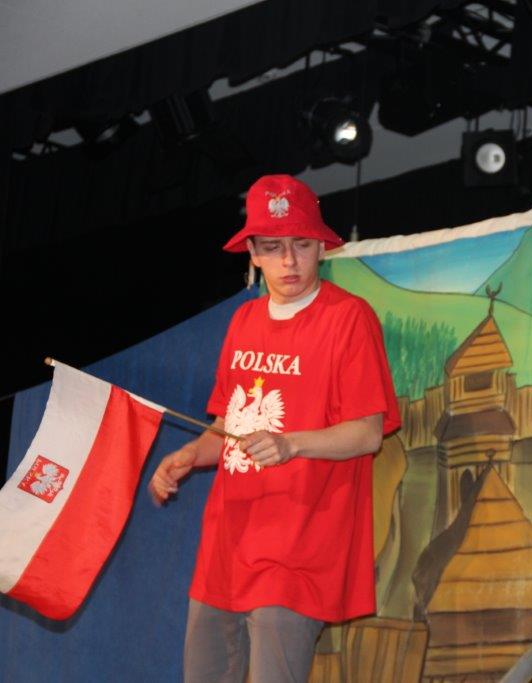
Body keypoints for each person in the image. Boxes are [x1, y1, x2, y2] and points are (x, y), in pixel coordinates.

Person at [148, 174, 400, 683]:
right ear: (252, 254)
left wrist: (291, 444)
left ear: (322, 248)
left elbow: (368, 433)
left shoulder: (349, 318)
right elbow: (229, 425)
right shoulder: (243, 320)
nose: (289, 261)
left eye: (301, 245)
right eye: (273, 247)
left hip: (299, 548)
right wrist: (192, 455)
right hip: (228, 543)